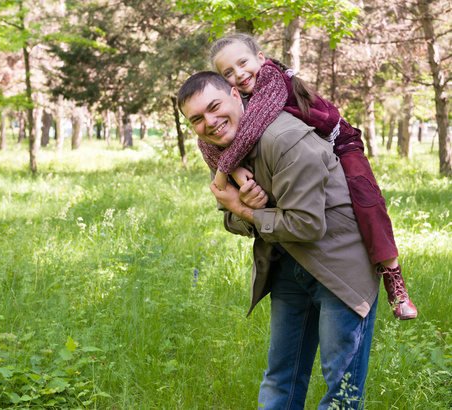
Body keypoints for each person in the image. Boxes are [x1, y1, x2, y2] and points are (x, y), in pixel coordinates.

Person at [177, 71, 379, 409]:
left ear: (235, 95)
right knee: (281, 375)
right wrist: (242, 210)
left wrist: (248, 212)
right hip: (289, 264)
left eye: (214, 107)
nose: (209, 123)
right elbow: (230, 217)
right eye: (196, 119)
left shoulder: (284, 138)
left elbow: (307, 226)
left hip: (341, 271)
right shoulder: (225, 152)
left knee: (340, 388)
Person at [198, 33, 416, 320]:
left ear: (260, 59)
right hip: (311, 158)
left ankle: (393, 277)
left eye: (243, 63)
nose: (238, 74)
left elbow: (248, 132)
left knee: (368, 201)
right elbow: (206, 143)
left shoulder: (271, 82)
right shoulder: (239, 103)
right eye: (228, 72)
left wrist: (228, 169)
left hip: (340, 139)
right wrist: (233, 167)